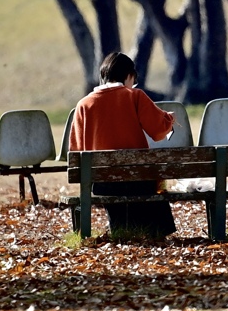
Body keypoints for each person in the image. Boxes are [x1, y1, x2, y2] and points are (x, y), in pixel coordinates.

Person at [69, 52, 177, 239]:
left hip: (103, 183)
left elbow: (76, 150)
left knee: (122, 186)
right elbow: (159, 131)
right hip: (137, 181)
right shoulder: (134, 96)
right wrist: (169, 119)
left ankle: (122, 231)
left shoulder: (83, 105)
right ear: (129, 75)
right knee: (146, 180)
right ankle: (154, 232)